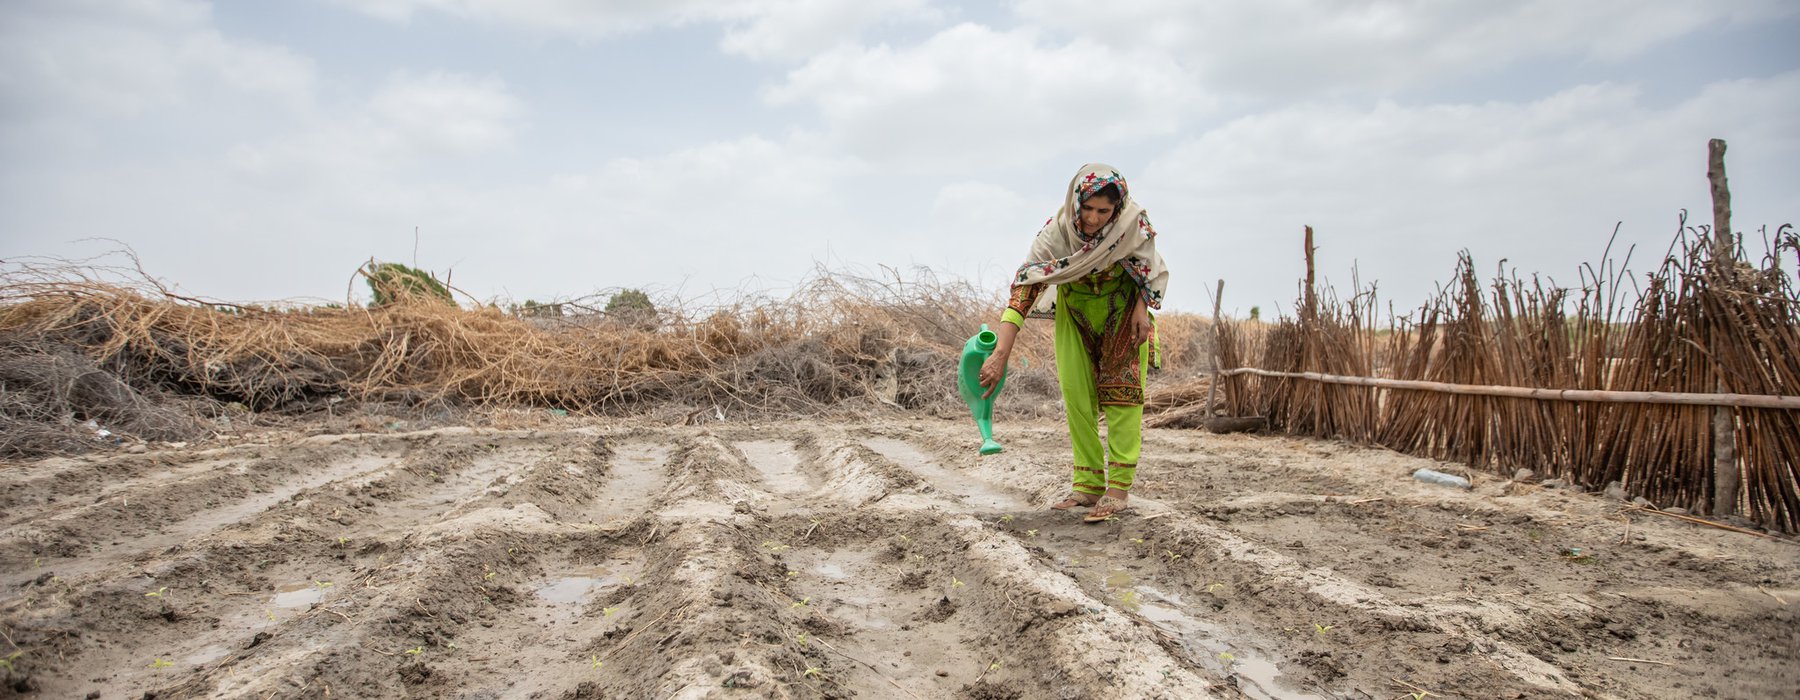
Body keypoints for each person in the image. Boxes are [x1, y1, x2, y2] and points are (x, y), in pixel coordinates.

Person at [977, 164, 1169, 523]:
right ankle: (1087, 485)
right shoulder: (1056, 234)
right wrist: (1000, 353)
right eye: (1088, 208)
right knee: (1077, 396)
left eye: (1104, 211)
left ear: (1117, 208)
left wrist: (1142, 308)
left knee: (1123, 396)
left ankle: (1118, 489)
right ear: (1076, 201)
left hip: (1124, 313)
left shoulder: (1133, 226)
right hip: (1076, 315)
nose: (1094, 219)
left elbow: (1148, 269)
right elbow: (1024, 290)